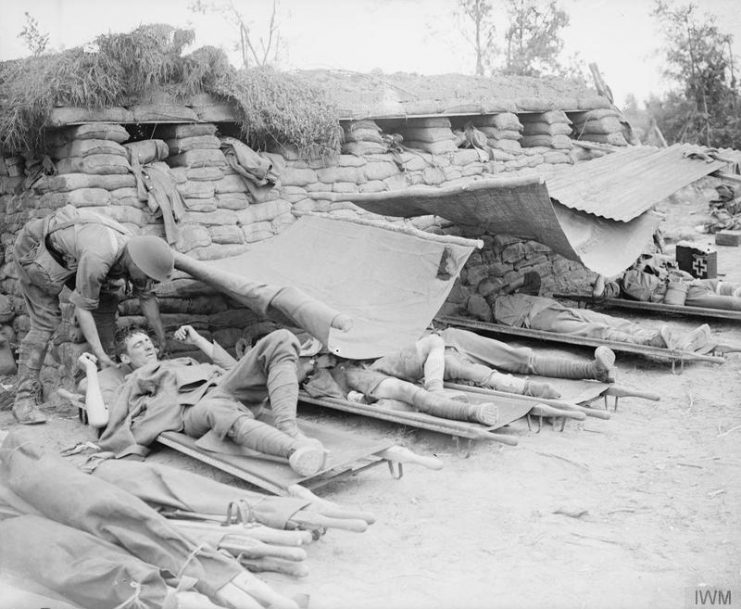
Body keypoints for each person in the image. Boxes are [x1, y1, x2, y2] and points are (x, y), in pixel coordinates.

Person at [78, 325, 327, 477]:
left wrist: (197, 341)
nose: (147, 346)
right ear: (124, 357)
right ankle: (295, 451)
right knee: (217, 408)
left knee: (282, 338)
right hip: (193, 410)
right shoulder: (133, 380)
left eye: (147, 341)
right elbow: (101, 419)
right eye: (138, 345)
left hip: (225, 388)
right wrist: (90, 370)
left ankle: (290, 431)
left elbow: (235, 368)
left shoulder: (183, 362)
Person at [13, 204, 173, 424]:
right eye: (145, 276)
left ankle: (108, 381)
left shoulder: (140, 253)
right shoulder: (100, 255)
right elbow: (83, 307)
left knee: (107, 299)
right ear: (133, 262)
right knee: (46, 322)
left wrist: (162, 339)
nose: (145, 281)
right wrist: (100, 352)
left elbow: (146, 297)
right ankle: (24, 401)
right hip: (37, 250)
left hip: (72, 257)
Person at [489, 271, 712, 352]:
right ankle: (648, 343)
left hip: (555, 308)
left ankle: (675, 339)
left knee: (608, 319)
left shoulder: (517, 294)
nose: (500, 286)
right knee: (593, 330)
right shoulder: (498, 308)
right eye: (495, 286)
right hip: (541, 320)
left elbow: (533, 277)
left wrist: (509, 287)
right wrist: (498, 294)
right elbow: (507, 326)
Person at [594, 253, 741, 312]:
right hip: (681, 295)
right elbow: (597, 294)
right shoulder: (619, 284)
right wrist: (604, 274)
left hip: (687, 282)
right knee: (730, 303)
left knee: (725, 286)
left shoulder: (641, 266)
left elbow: (659, 262)